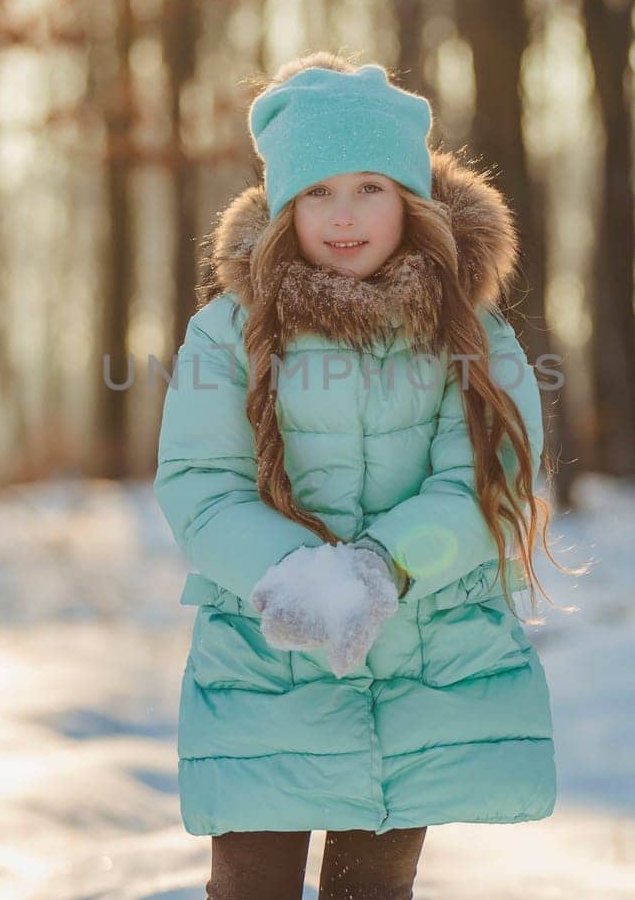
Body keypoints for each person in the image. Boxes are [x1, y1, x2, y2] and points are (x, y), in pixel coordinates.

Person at [154, 51, 560, 900]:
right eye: (316, 192)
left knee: (371, 892)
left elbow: (491, 474)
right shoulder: (228, 335)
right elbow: (201, 482)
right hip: (266, 668)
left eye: (368, 187)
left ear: (409, 198)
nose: (343, 216)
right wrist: (293, 572)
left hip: (415, 668)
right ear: (282, 207)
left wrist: (385, 565)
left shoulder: (470, 331)